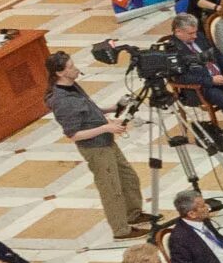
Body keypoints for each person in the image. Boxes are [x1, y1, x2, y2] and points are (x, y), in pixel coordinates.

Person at [43, 54, 146, 238]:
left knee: (128, 178)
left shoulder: (72, 86)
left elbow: (88, 110)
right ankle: (121, 230)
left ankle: (133, 214)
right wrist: (106, 127)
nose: (76, 68)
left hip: (106, 141)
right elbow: (74, 134)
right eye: (71, 66)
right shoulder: (63, 101)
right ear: (60, 72)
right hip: (95, 148)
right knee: (111, 188)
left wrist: (113, 108)